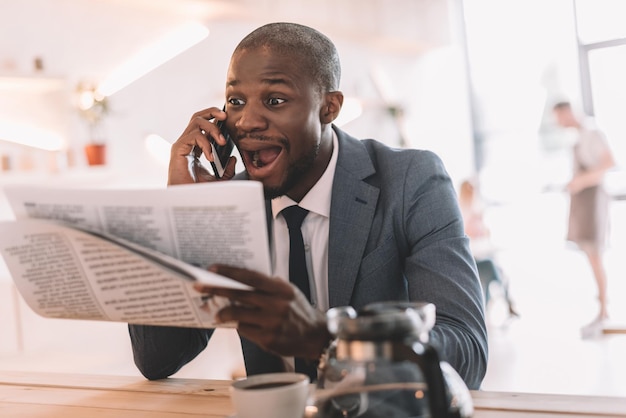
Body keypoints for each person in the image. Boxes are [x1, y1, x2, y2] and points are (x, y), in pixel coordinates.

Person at [128, 22, 488, 389]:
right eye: (236, 101)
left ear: (329, 107)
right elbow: (157, 358)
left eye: (275, 100)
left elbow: (467, 353)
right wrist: (181, 212)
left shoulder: (411, 180)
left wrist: (325, 340)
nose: (247, 121)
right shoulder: (229, 203)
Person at [552, 101, 616, 339]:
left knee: (595, 255)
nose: (557, 123)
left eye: (558, 117)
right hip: (583, 200)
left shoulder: (591, 132)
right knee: (591, 255)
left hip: (593, 199)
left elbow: (609, 163)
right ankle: (602, 308)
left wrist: (581, 181)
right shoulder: (578, 137)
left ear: (566, 112)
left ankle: (604, 310)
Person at [458, 179, 518, 319]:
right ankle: (505, 302)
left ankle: (503, 302)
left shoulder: (473, 211)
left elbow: (485, 234)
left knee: (495, 268)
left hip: (479, 255)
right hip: (470, 261)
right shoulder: (462, 212)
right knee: (491, 268)